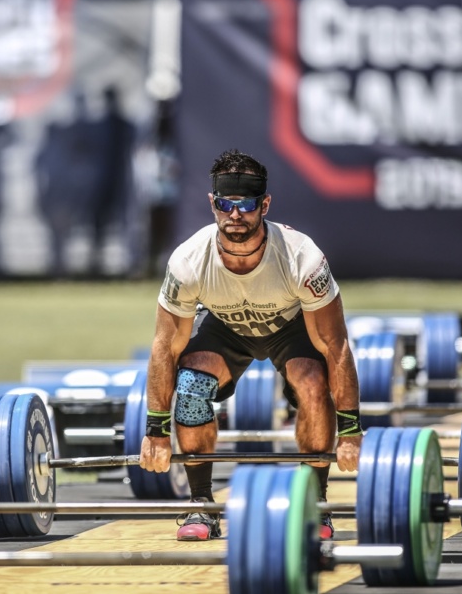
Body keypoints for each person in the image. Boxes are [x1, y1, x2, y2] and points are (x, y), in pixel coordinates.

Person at [139, 149, 362, 541]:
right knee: (191, 388)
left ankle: (316, 506)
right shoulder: (188, 261)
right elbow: (164, 347)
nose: (236, 215)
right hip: (226, 327)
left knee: (312, 382)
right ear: (213, 203)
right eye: (226, 204)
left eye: (246, 205)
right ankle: (202, 505)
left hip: (290, 328)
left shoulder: (302, 259)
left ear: (265, 204)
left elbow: (335, 346)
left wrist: (350, 429)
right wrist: (156, 430)